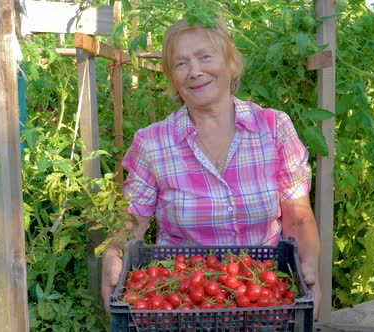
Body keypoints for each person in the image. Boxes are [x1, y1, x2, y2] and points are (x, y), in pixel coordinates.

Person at [101, 17, 322, 319]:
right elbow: (130, 223)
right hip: (180, 302)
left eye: (205, 56)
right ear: (172, 77)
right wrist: (113, 258)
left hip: (262, 298)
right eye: (181, 64)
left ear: (231, 62)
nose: (195, 71)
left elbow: (297, 217)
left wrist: (309, 269)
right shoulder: (152, 143)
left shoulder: (273, 128)